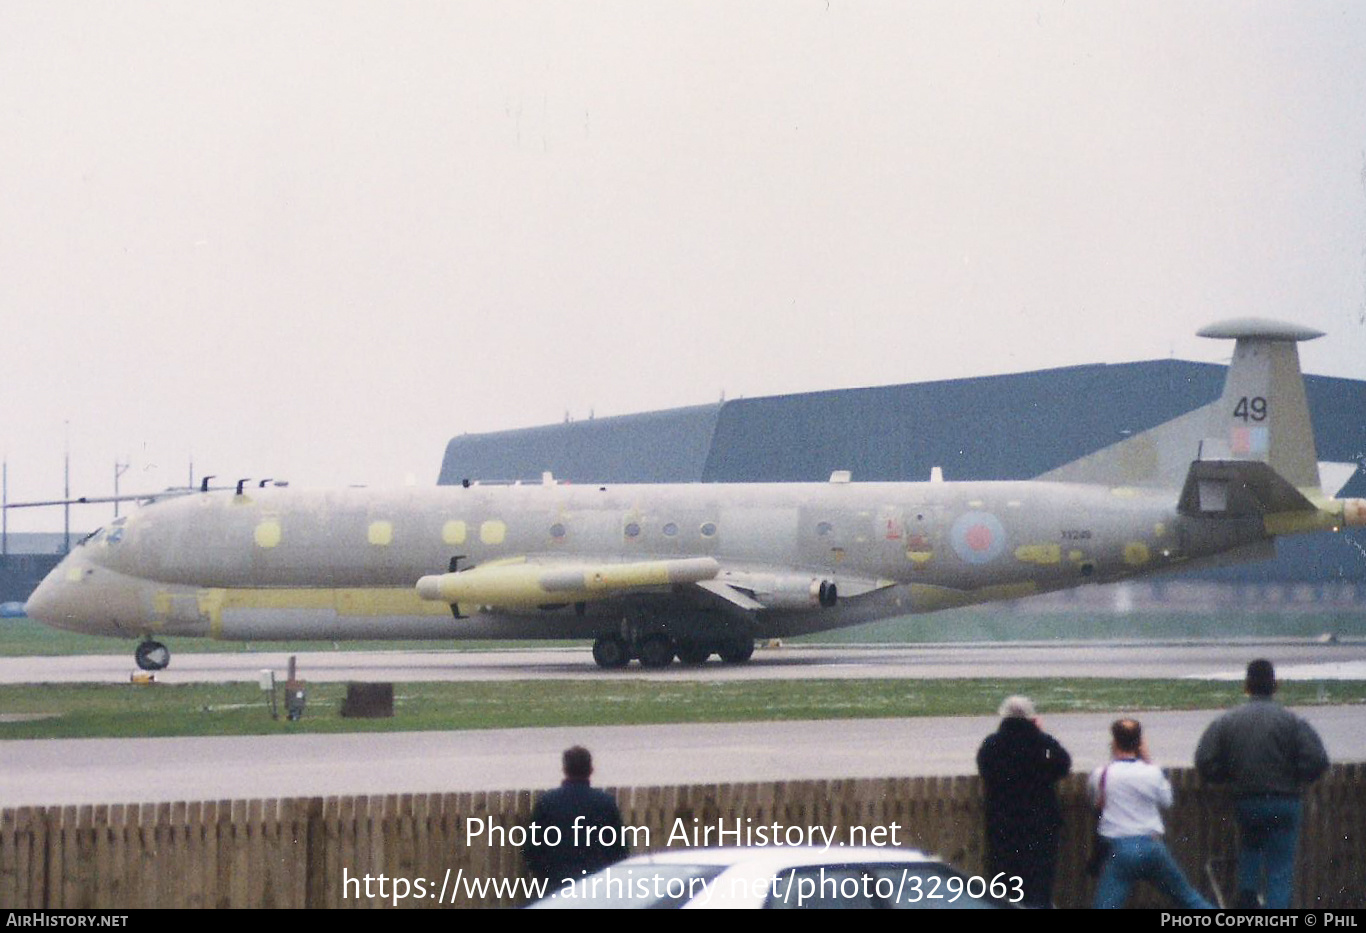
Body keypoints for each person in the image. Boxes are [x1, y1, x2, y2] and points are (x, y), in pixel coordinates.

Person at [1194, 659, 1329, 908]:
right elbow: (1318, 759)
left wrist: (1227, 777)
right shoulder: (1292, 721)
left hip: (1246, 800)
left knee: (1250, 851)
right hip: (1285, 800)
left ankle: (1247, 899)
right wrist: (1297, 778)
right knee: (1279, 869)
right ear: (1275, 686)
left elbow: (1204, 760)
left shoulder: (1226, 721)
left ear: (1247, 686)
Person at [1090, 718, 1212, 909]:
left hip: (1120, 849)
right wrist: (1148, 760)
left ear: (1114, 742)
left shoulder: (1102, 774)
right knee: (1188, 898)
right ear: (1139, 743)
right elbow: (1167, 801)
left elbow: (1096, 801)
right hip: (1152, 845)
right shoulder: (1152, 773)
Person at [975, 695, 1071, 908]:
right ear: (1031, 718)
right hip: (1040, 825)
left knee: (1004, 884)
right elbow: (1064, 764)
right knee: (1039, 884)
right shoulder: (1040, 742)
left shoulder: (992, 744)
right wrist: (1041, 734)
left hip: (1003, 825)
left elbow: (984, 768)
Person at [523, 745, 628, 889]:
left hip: (557, 884)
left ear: (564, 770)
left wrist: (546, 875)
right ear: (591, 770)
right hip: (597, 883)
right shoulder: (605, 803)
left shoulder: (547, 802)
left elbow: (532, 849)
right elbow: (620, 849)